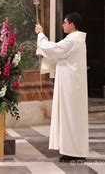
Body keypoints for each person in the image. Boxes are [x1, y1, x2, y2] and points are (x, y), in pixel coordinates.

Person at [34, 13, 88, 162]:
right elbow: (58, 53)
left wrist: (41, 35)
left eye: (65, 23)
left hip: (70, 86)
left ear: (72, 25)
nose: (63, 25)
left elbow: (53, 49)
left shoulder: (73, 40)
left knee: (70, 116)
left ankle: (73, 152)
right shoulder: (75, 39)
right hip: (69, 84)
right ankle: (69, 150)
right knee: (68, 116)